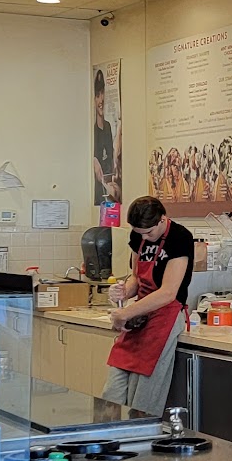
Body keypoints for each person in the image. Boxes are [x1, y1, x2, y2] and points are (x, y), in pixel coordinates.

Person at [102, 196, 193, 416]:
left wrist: (125, 313)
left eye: (149, 233)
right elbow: (137, 277)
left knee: (141, 401)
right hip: (139, 317)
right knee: (111, 395)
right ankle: (109, 433)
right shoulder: (138, 235)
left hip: (164, 319)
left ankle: (139, 436)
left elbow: (168, 292)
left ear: (162, 219)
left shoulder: (179, 237)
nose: (144, 237)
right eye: (139, 233)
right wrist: (124, 291)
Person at [92, 70, 119, 204]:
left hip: (109, 183)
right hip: (98, 188)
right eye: (97, 95)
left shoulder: (107, 127)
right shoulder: (92, 130)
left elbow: (111, 156)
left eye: (102, 93)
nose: (101, 99)